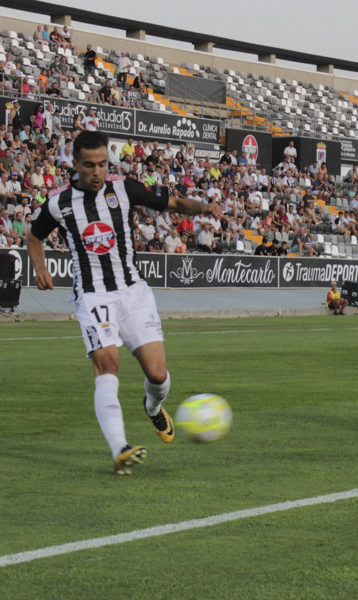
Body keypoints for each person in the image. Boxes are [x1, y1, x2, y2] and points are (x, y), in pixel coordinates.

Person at [26, 130, 217, 475]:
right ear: (75, 164)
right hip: (93, 295)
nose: (97, 172)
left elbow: (172, 204)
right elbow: (34, 235)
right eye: (89, 165)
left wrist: (204, 206)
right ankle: (120, 448)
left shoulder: (124, 189)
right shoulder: (60, 203)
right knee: (107, 364)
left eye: (102, 164)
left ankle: (153, 407)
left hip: (134, 292)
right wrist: (40, 267)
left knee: (158, 375)